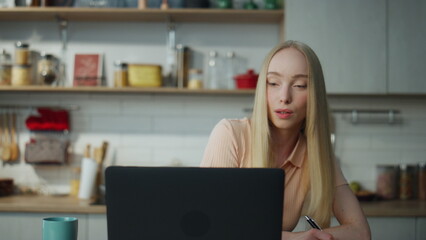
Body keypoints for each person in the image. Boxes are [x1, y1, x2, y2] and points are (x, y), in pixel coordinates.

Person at [201, 40, 371, 240]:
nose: (284, 97)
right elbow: (209, 227)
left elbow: (360, 232)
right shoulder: (230, 134)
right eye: (273, 83)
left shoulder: (317, 154)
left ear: (314, 94)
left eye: (300, 85)